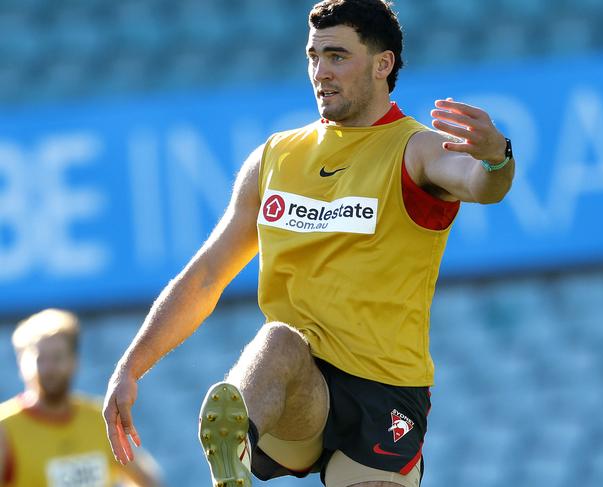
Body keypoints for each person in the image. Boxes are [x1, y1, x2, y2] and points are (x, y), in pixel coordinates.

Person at [103, 1, 515, 486]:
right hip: (298, 389)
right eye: (313, 56)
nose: (321, 72)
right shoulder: (275, 157)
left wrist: (495, 157)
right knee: (278, 339)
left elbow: (482, 185)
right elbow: (206, 274)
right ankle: (230, 468)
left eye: (337, 56)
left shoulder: (416, 149)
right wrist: (130, 367)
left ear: (383, 64)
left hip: (385, 389)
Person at [0, 309, 162, 487]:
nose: (50, 368)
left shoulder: (100, 418)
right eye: (41, 359)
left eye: (57, 358)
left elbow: (148, 479)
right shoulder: (5, 428)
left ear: (74, 361)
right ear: (21, 363)